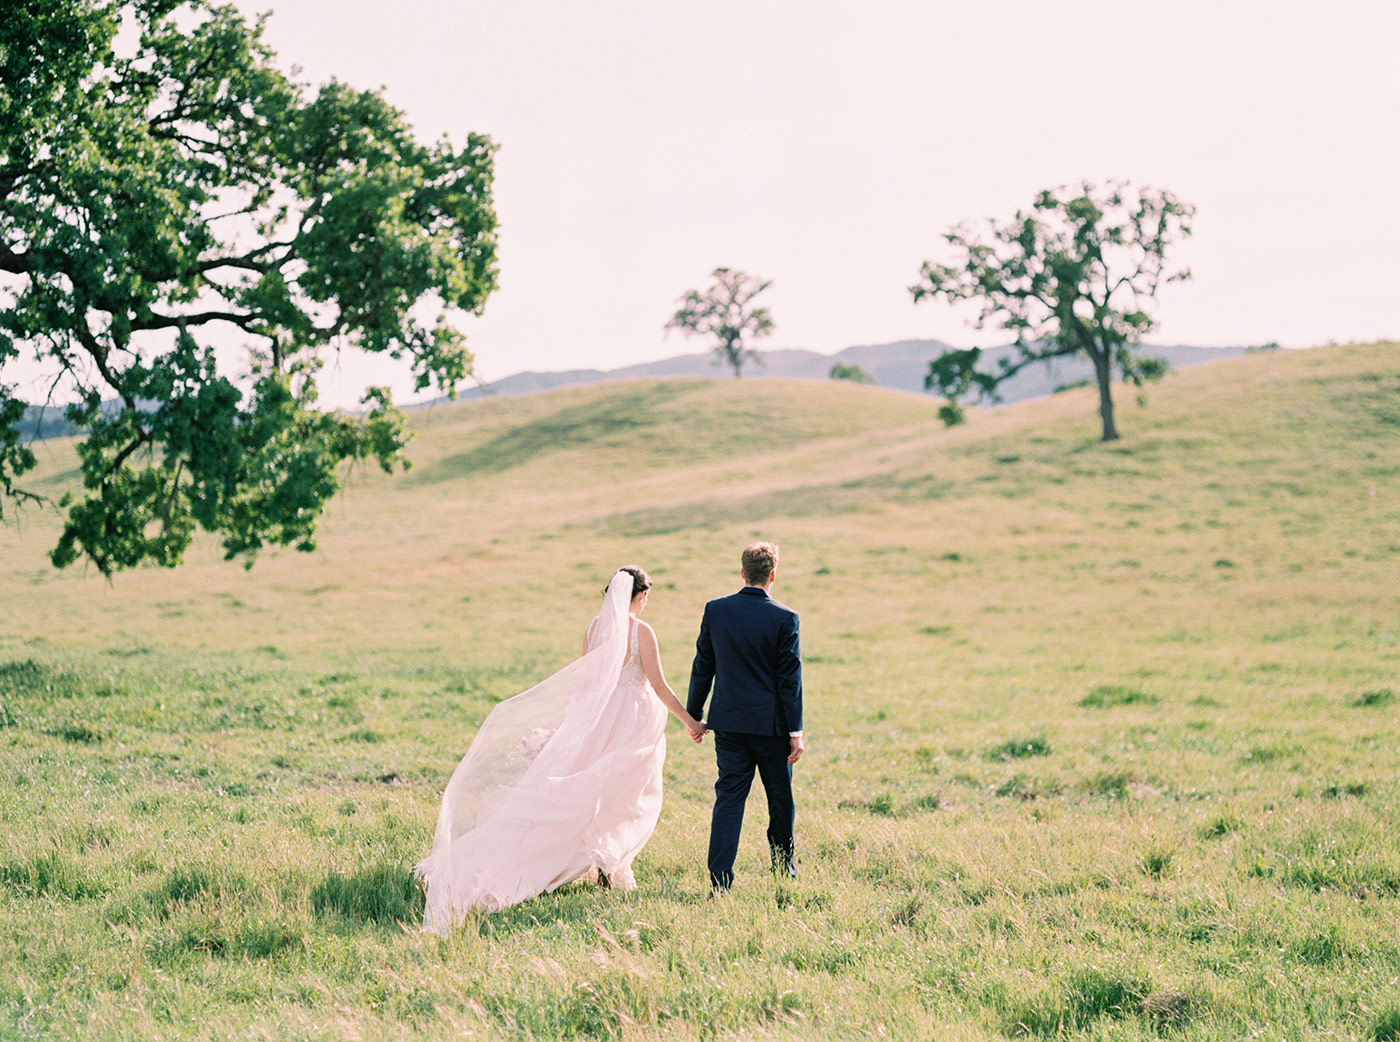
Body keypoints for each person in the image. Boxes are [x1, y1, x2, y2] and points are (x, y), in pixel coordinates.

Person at [415, 567, 704, 930]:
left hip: (599, 721)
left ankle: (607, 864)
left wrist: (572, 729)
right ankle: (609, 865)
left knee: (596, 791)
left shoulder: (592, 629)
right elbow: (659, 686)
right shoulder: (641, 631)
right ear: (641, 596)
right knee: (626, 795)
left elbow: (586, 684)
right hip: (632, 723)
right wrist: (691, 721)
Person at [686, 541, 804, 891]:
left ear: (742, 572)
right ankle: (784, 871)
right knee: (780, 799)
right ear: (773, 574)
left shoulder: (716, 610)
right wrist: (795, 731)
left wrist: (695, 714)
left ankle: (720, 880)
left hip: (729, 724)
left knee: (729, 799)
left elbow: (702, 665)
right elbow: (789, 680)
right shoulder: (786, 618)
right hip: (772, 729)